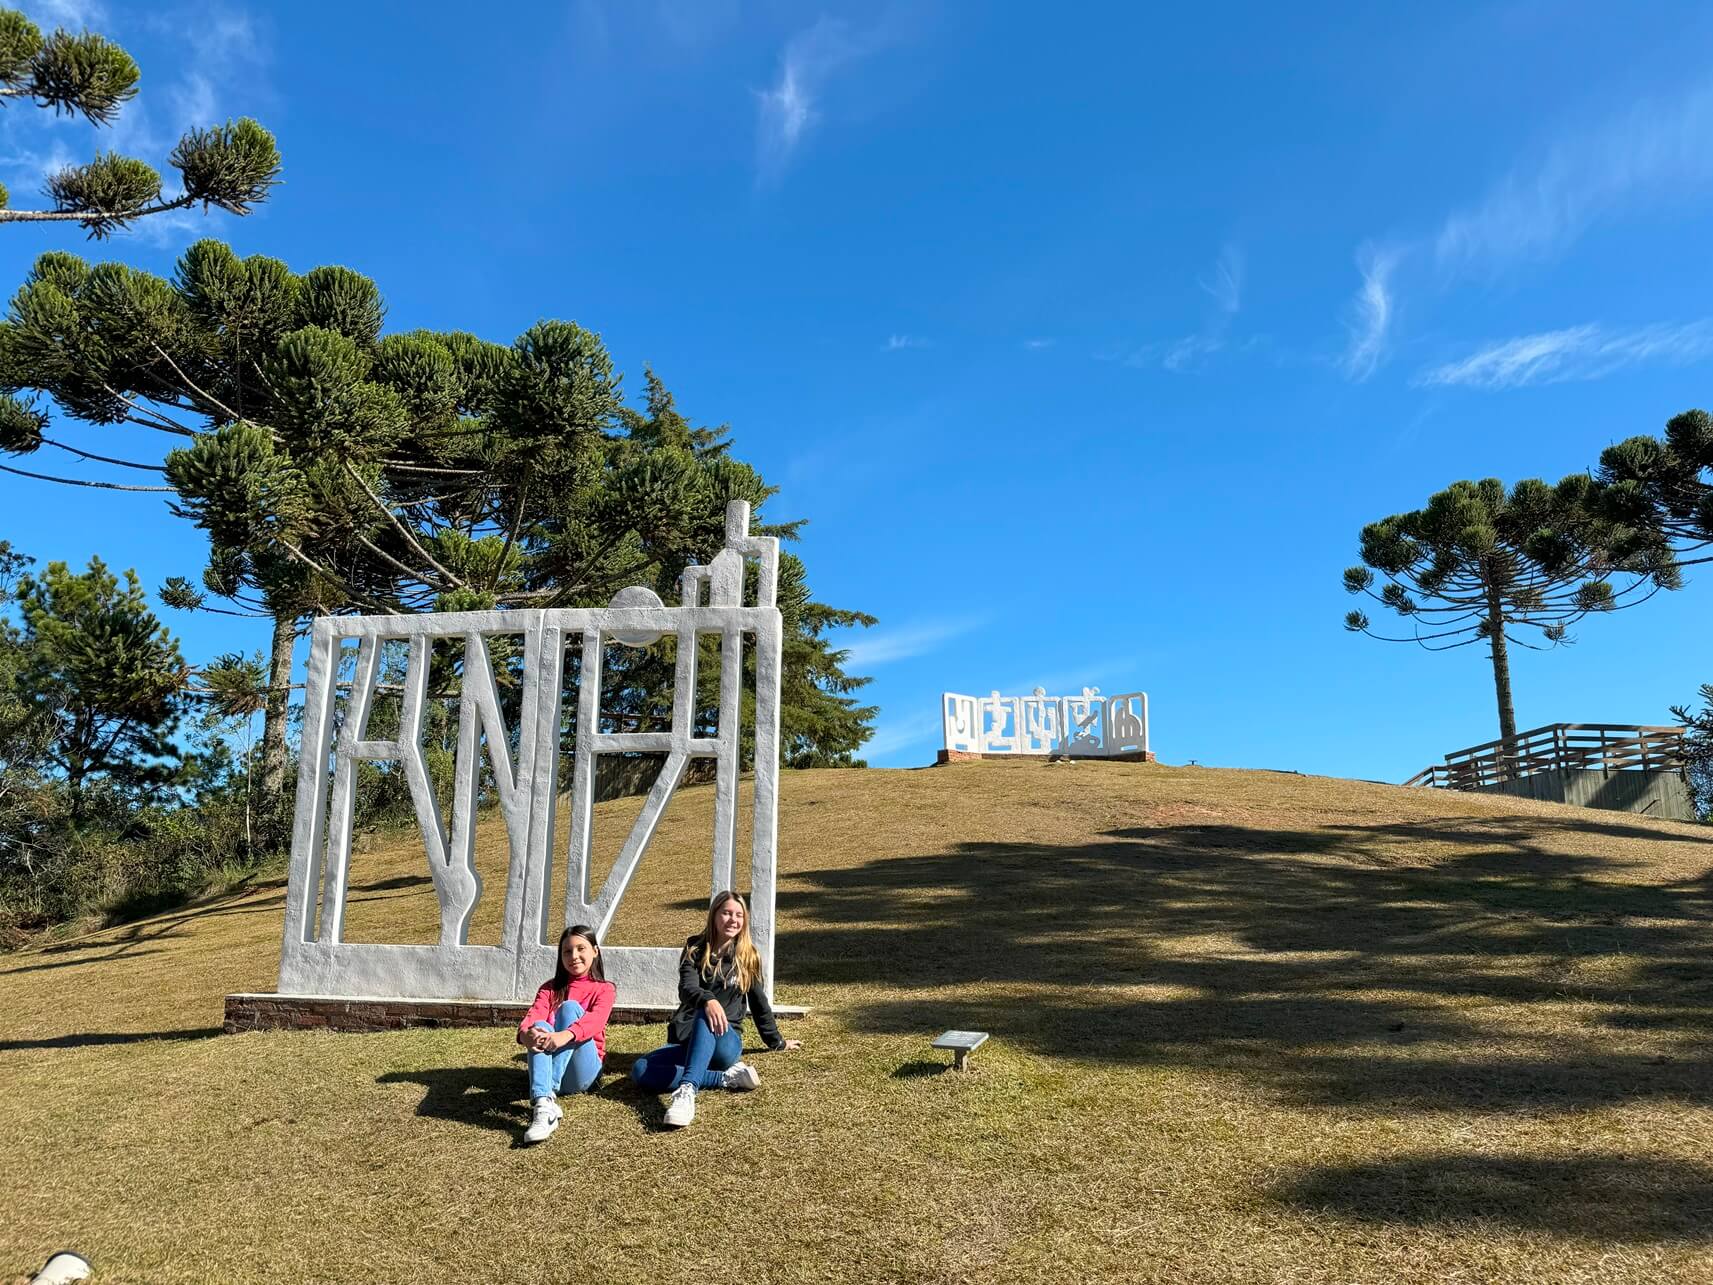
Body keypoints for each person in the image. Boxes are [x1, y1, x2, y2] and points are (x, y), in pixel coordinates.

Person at [631, 890, 802, 1128]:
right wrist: (707, 999)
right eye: (726, 913)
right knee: (641, 1070)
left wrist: (777, 1042)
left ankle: (687, 1091)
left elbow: (759, 1003)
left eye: (739, 915)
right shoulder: (694, 949)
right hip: (690, 1041)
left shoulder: (747, 957)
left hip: (725, 1043)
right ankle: (726, 1078)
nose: (733, 920)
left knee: (708, 1010)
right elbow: (686, 988)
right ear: (714, 916)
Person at [516, 924, 616, 1145]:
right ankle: (544, 1104)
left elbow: (595, 1021)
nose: (574, 956)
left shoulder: (605, 989)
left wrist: (566, 1035)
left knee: (569, 1009)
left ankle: (547, 1087)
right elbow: (532, 1017)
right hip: (556, 1072)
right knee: (540, 1024)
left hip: (585, 1074)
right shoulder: (549, 989)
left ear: (595, 951)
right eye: (567, 951)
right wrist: (527, 1035)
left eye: (581, 948)